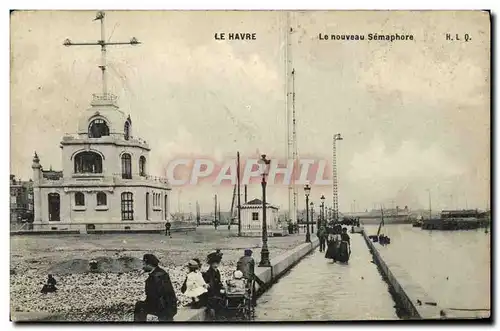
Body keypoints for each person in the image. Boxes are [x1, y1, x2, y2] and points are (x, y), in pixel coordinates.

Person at [134, 254, 177, 322]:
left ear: (149, 265)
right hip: (168, 306)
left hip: (163, 308)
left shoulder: (155, 277)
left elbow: (153, 295)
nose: (143, 266)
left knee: (140, 305)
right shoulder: (160, 272)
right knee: (140, 305)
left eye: (144, 264)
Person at [202, 252, 224, 319]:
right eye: (214, 263)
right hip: (211, 295)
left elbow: (218, 282)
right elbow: (210, 285)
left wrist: (221, 286)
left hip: (215, 293)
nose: (216, 265)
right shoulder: (208, 273)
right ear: (211, 264)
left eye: (217, 263)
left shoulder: (217, 272)